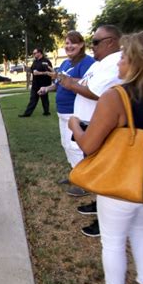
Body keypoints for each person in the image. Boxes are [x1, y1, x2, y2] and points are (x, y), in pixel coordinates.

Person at [69, 30, 143, 284]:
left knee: (113, 242)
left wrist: (74, 126)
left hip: (122, 183)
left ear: (137, 61)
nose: (118, 63)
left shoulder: (116, 96)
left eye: (124, 57)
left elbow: (89, 145)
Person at [58, 24, 123, 237]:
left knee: (103, 173)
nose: (92, 46)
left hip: (97, 125)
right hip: (88, 123)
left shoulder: (114, 63)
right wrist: (70, 81)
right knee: (97, 171)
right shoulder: (100, 63)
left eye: (95, 42)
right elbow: (86, 82)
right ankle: (98, 204)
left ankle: (104, 222)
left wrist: (69, 84)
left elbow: (95, 91)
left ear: (111, 42)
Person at [37, 31, 95, 193]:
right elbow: (58, 83)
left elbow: (89, 83)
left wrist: (61, 78)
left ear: (82, 44)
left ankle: (84, 183)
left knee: (76, 147)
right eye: (67, 43)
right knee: (66, 145)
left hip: (76, 113)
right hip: (62, 113)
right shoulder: (65, 63)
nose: (69, 46)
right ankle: (74, 175)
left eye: (73, 43)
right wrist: (46, 88)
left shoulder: (87, 62)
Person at [18, 48, 53, 117]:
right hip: (35, 84)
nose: (34, 54)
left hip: (43, 84)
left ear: (39, 53)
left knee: (44, 99)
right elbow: (32, 70)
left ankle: (46, 112)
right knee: (33, 99)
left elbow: (50, 73)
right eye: (33, 53)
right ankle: (27, 114)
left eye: (35, 53)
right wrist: (27, 68)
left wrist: (40, 73)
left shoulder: (46, 61)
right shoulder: (35, 61)